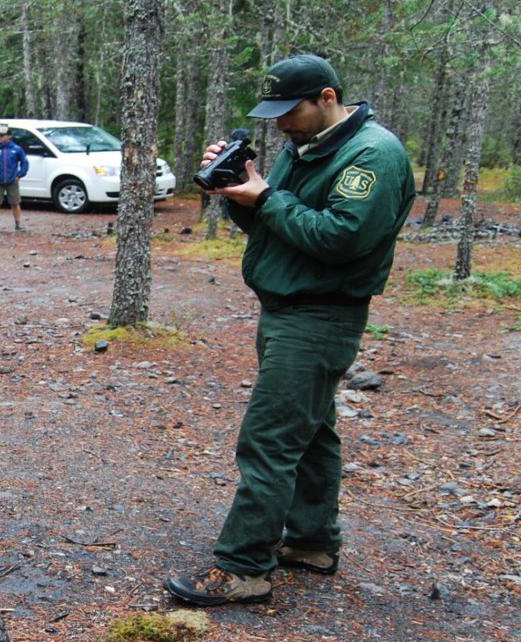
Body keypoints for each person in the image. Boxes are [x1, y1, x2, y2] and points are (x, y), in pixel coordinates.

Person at [165, 53, 415, 607]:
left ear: (327, 97)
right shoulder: (305, 148)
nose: (279, 123)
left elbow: (339, 237)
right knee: (312, 432)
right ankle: (312, 541)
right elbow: (277, 226)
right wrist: (241, 193)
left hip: (320, 315)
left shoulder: (371, 155)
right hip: (286, 309)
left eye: (289, 110)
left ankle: (243, 568)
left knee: (271, 439)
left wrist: (269, 196)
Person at [0, 126, 29, 231]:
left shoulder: (16, 149)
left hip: (12, 180)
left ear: (9, 136)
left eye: (2, 135)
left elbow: (24, 162)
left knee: (15, 203)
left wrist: (20, 175)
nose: (0, 137)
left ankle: (18, 224)